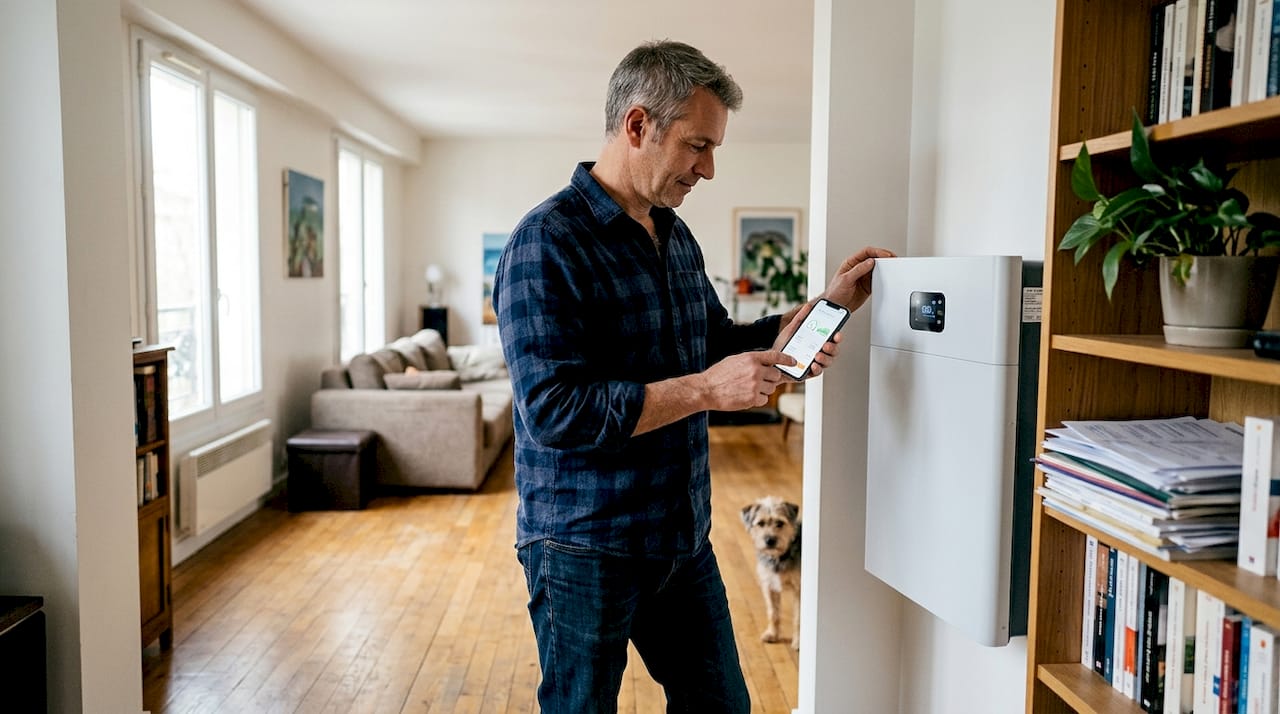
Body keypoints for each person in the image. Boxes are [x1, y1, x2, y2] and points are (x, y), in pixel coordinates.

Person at [492, 39, 893, 713]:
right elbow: (556, 412)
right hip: (583, 546)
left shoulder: (675, 236)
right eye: (697, 146)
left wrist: (827, 307)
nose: (707, 169)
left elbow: (716, 340)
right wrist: (709, 389)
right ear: (638, 125)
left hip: (680, 537)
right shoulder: (545, 243)